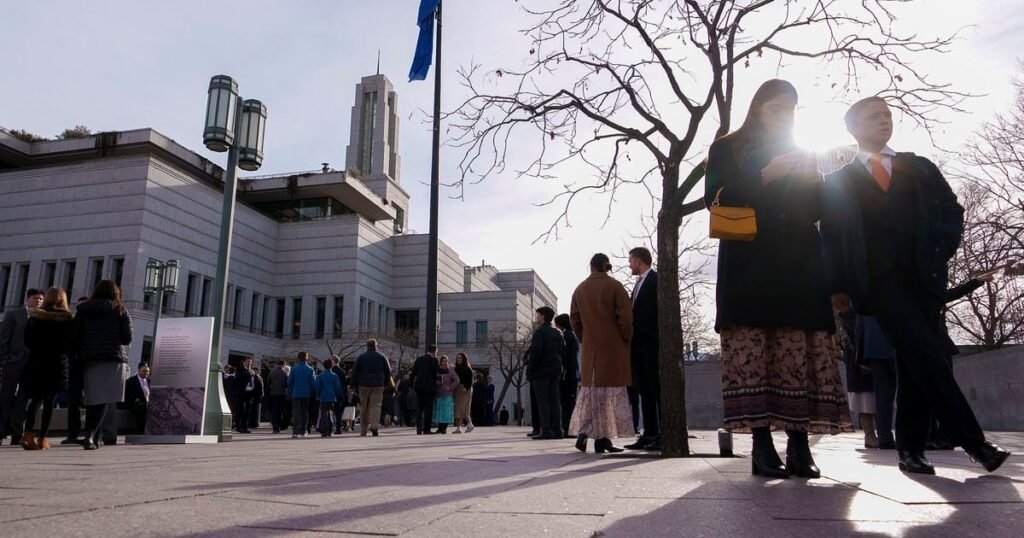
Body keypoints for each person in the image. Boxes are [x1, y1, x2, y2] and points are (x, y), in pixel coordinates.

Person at [822, 95, 1011, 474]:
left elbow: (951, 209)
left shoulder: (919, 167)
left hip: (925, 278)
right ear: (852, 127)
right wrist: (838, 285)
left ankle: (910, 450)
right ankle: (975, 443)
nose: (884, 121)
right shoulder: (837, 182)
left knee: (916, 360)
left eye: (888, 116)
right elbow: (832, 235)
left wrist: (942, 248)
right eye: (874, 116)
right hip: (877, 282)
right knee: (926, 353)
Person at [704, 79, 851, 478]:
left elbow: (822, 210)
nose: (784, 115)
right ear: (757, 108)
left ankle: (800, 447)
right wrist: (765, 175)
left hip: (799, 265)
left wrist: (817, 179)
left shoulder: (803, 151)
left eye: (790, 109)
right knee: (754, 353)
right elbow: (712, 198)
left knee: (798, 351)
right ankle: (761, 446)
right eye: (775, 108)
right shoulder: (727, 147)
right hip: (748, 264)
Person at [568, 253, 634, 454]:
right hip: (612, 347)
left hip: (591, 349)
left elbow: (575, 320)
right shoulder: (615, 287)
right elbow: (626, 318)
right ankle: (602, 439)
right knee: (609, 394)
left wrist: (584, 338)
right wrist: (626, 338)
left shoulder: (580, 289)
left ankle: (586, 432)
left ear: (591, 267)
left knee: (592, 393)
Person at [74, 280, 133, 450]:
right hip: (113, 357)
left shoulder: (83, 309)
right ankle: (91, 435)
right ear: (116, 293)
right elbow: (127, 337)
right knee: (106, 397)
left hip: (90, 358)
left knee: (93, 398)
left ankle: (95, 436)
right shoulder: (119, 309)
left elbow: (76, 334)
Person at [16, 287, 74, 450]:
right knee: (50, 401)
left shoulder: (35, 317)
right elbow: (70, 345)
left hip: (36, 362)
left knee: (34, 400)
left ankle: (27, 434)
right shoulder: (67, 319)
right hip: (56, 364)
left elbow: (27, 340)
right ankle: (42, 437)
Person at [625, 246, 661, 451]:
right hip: (637, 346)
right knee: (644, 391)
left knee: (655, 390)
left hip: (650, 344)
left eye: (631, 260)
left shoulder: (655, 280)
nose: (629, 264)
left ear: (639, 260)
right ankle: (649, 433)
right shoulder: (638, 284)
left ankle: (659, 434)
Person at [0, 288, 45, 444]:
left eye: (40, 299)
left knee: (23, 400)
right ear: (27, 299)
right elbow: (4, 338)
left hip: (32, 365)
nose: (38, 301)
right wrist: (5, 360)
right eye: (35, 298)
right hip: (13, 362)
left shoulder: (43, 318)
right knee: (5, 397)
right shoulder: (13, 315)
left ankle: (17, 433)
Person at [527, 306, 564, 440]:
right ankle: (558, 430)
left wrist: (531, 369)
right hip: (555, 370)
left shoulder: (540, 332)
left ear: (543, 316)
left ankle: (546, 430)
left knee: (542, 401)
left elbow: (536, 353)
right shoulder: (558, 332)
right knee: (554, 400)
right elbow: (562, 351)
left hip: (541, 371)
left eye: (538, 315)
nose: (536, 317)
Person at [59, 296, 90, 445]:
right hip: (78, 363)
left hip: (86, 363)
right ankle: (74, 433)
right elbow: (65, 343)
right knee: (75, 400)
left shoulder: (90, 322)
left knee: (86, 400)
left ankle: (84, 432)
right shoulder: (73, 322)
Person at [351, 339, 392, 437]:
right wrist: (386, 383)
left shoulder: (361, 357)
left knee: (363, 407)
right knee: (376, 406)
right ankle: (374, 426)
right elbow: (388, 371)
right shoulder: (382, 357)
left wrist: (353, 385)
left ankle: (363, 430)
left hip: (363, 385)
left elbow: (354, 371)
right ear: (375, 346)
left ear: (367, 346)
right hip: (378, 385)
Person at [555, 313, 579, 438]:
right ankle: (570, 427)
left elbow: (565, 357)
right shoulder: (572, 335)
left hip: (567, 374)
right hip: (572, 373)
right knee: (569, 401)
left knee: (566, 402)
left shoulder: (566, 336)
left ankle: (568, 428)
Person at [409, 345, 440, 434]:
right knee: (428, 409)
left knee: (419, 409)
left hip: (419, 387)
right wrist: (447, 369)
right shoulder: (434, 360)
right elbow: (439, 370)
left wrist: (411, 384)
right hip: (430, 389)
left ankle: (418, 429)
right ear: (434, 351)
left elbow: (413, 373)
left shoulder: (419, 359)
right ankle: (427, 429)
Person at [287, 351, 316, 438]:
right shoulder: (310, 369)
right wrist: (311, 391)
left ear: (298, 358)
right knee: (305, 412)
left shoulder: (294, 369)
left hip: (296, 393)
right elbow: (313, 383)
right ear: (306, 358)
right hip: (306, 393)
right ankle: (304, 430)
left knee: (296, 413)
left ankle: (296, 431)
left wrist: (291, 391)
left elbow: (289, 382)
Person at [314, 358, 342, 437]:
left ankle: (324, 430)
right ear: (332, 365)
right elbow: (337, 387)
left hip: (323, 397)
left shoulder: (320, 376)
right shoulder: (334, 376)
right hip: (332, 397)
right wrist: (338, 395)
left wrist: (318, 394)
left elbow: (317, 386)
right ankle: (330, 430)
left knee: (323, 414)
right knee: (331, 414)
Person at [432, 355, 460, 434]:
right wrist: (437, 383)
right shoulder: (438, 371)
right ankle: (439, 428)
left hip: (447, 395)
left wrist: (450, 387)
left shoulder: (451, 371)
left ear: (448, 362)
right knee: (439, 412)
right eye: (443, 361)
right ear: (440, 362)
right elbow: (434, 380)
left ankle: (444, 428)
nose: (444, 363)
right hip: (438, 394)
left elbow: (457, 380)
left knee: (446, 412)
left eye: (446, 361)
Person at [121, 362, 151, 434]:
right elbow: (128, 395)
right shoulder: (131, 381)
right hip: (135, 403)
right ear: (138, 370)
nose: (146, 373)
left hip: (148, 403)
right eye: (144, 371)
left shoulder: (150, 381)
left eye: (147, 371)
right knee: (141, 408)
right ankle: (140, 432)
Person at [452, 352, 475, 433]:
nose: (458, 359)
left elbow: (470, 381)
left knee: (464, 408)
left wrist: (466, 387)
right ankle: (458, 428)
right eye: (457, 358)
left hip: (465, 390)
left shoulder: (468, 369)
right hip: (457, 390)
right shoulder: (455, 369)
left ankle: (470, 424)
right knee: (458, 409)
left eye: (460, 358)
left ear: (464, 359)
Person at [268, 360, 288, 433]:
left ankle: (275, 428)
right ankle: (279, 426)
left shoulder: (272, 372)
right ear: (284, 364)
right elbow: (287, 384)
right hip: (282, 394)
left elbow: (268, 382)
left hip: (273, 394)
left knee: (274, 412)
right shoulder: (284, 373)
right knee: (280, 412)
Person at [330, 357, 349, 434]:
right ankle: (338, 428)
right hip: (340, 393)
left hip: (331, 393)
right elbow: (345, 383)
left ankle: (329, 427)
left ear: (333, 361)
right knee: (338, 412)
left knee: (329, 411)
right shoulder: (342, 371)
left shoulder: (331, 371)